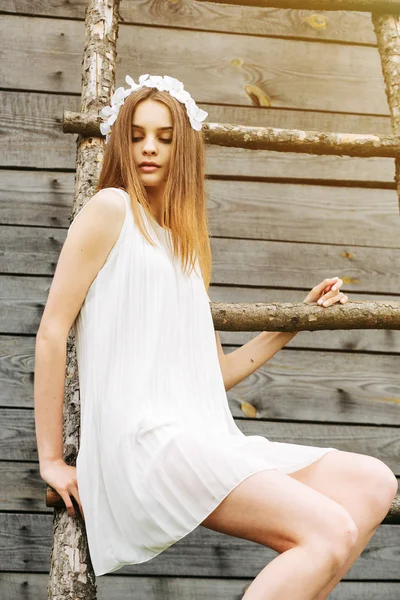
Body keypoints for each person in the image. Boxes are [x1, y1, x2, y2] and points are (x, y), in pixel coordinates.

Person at [34, 74, 397, 598]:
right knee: (329, 530)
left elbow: (214, 375)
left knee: (373, 484)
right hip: (144, 444)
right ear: (121, 143)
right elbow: (52, 330)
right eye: (136, 136)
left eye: (164, 136)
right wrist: (51, 459)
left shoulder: (184, 251)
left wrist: (294, 320)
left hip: (196, 438)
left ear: (183, 147)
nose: (149, 148)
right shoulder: (110, 209)